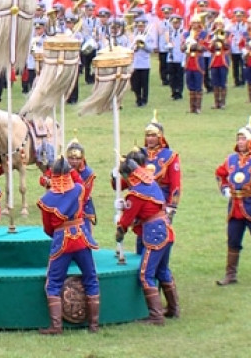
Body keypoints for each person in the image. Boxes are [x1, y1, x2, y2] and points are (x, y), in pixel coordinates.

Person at [114, 148, 179, 325]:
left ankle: (156, 316)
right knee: (162, 271)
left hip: (155, 234)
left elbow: (126, 221)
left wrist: (119, 232)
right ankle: (173, 309)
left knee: (145, 274)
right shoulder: (151, 184)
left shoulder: (136, 194)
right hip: (165, 230)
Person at [37, 157, 100, 334]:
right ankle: (94, 325)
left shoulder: (46, 199)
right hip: (81, 237)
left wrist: (57, 233)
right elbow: (80, 182)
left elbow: (48, 227)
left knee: (53, 283)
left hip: (62, 240)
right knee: (91, 277)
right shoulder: (79, 189)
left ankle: (56, 326)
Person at [215, 117, 251, 287]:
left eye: (243, 139)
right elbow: (220, 174)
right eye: (238, 138)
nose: (240, 142)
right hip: (235, 208)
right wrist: (224, 188)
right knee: (233, 241)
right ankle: (230, 274)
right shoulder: (231, 160)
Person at [142, 111, 181, 222]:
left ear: (160, 137)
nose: (150, 138)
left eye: (153, 135)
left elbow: (175, 184)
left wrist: (172, 206)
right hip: (142, 200)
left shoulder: (170, 156)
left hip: (161, 200)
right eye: (148, 135)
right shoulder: (139, 154)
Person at [66, 136, 96, 235]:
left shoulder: (88, 173)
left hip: (83, 207)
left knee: (85, 235)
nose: (74, 161)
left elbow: (84, 194)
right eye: (71, 158)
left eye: (77, 159)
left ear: (82, 158)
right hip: (66, 207)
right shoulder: (63, 170)